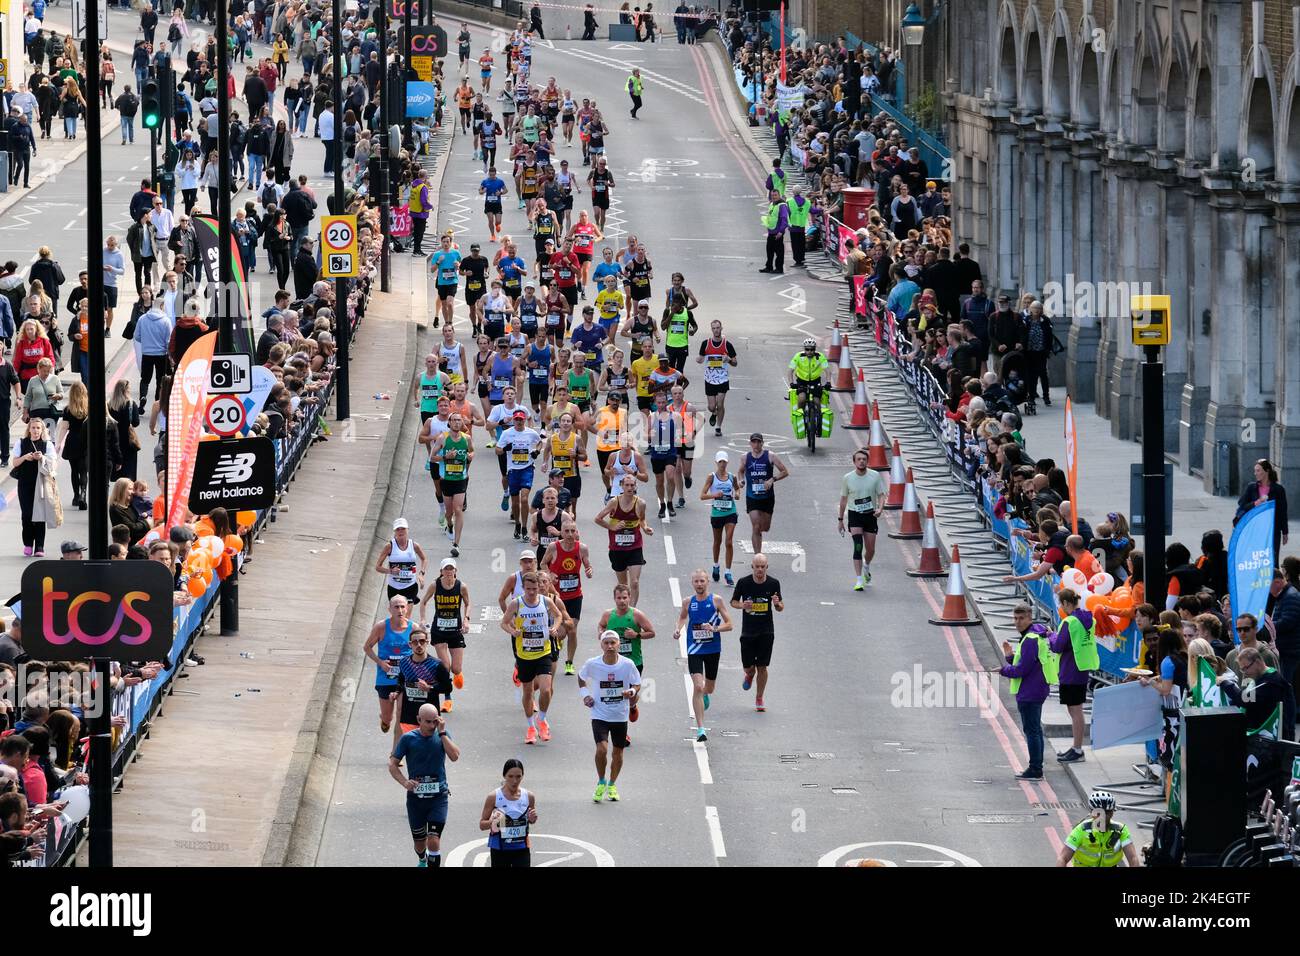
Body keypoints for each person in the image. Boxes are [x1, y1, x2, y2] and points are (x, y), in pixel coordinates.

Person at [389, 704, 460, 867]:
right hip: (416, 800)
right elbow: (392, 765)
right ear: (418, 720)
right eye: (427, 722)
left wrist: (442, 733)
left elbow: (455, 756)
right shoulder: (408, 739)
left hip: (438, 797)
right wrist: (405, 782)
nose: (431, 726)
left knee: (434, 840)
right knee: (420, 842)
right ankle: (422, 859)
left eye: (434, 721)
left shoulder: (442, 735)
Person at [500, 571, 566, 745]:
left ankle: (542, 720)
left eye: (535, 589)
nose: (531, 592)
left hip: (543, 652)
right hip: (525, 654)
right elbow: (503, 622)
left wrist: (555, 627)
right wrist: (513, 631)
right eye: (528, 589)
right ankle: (531, 727)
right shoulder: (517, 604)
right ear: (523, 587)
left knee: (546, 689)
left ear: (539, 587)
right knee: (528, 692)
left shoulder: (546, 601)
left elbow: (559, 615)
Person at [580, 630, 642, 802]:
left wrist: (631, 691)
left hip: (620, 715)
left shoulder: (627, 664)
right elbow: (581, 678)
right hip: (599, 713)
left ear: (618, 645)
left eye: (613, 643)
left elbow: (637, 683)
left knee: (618, 753)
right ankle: (601, 781)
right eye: (606, 643)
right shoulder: (593, 663)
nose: (610, 646)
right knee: (602, 749)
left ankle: (612, 785)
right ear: (601, 645)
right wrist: (585, 695)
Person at [675, 568, 733, 742]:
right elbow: (683, 618)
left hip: (713, 649)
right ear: (692, 583)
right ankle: (701, 729)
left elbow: (730, 624)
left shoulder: (716, 601)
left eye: (702, 581)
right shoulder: (688, 602)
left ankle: (705, 694)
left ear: (707, 582)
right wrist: (677, 629)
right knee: (698, 686)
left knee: (709, 688)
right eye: (696, 581)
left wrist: (714, 628)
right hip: (694, 649)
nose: (699, 584)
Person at [999, 605, 1055, 780]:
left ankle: (1035, 769)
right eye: (1015, 618)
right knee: (1035, 730)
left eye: (1021, 618)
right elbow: (1027, 662)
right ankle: (1037, 766)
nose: (1017, 622)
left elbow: (1022, 669)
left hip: (1030, 691)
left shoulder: (1030, 639)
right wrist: (1009, 657)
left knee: (1032, 731)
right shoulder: (1034, 635)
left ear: (1030, 618)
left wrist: (1003, 669)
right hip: (1036, 688)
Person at [729, 553, 783, 713]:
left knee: (763, 666)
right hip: (748, 632)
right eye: (757, 566)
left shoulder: (774, 583)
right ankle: (749, 674)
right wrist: (742, 606)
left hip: (766, 631)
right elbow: (733, 602)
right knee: (749, 668)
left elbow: (780, 607)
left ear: (767, 567)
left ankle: (759, 697)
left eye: (762, 566)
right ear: (752, 566)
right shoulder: (744, 583)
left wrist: (777, 604)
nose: (759, 569)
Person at [1050, 589, 1099, 763]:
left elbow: (1058, 646)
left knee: (1075, 710)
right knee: (1074, 709)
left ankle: (1078, 750)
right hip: (1082, 667)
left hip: (1070, 669)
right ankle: (1075, 747)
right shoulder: (1089, 619)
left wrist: (1051, 636)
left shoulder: (1069, 622)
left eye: (1060, 604)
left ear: (1065, 604)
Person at [418, 557, 471, 712]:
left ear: (455, 571)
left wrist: (466, 619)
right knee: (445, 666)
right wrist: (422, 619)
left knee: (455, 668)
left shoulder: (462, 587)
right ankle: (447, 700)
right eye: (446, 569)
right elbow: (423, 602)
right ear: (441, 571)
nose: (449, 572)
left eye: (451, 569)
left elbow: (468, 603)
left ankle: (458, 673)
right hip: (439, 630)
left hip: (455, 631)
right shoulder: (435, 585)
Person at [542, 519, 594, 675]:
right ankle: (557, 645)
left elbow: (587, 564)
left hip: (575, 596)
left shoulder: (582, 548)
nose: (571, 534)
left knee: (572, 629)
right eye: (567, 531)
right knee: (561, 633)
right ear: (561, 532)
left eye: (573, 531)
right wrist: (550, 573)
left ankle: (569, 662)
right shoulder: (554, 547)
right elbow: (543, 563)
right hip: (557, 596)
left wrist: (589, 571)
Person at [594, 472, 653, 604]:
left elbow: (642, 520)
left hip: (635, 547)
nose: (630, 488)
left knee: (635, 582)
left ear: (636, 486)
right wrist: (612, 527)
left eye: (632, 485)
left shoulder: (640, 503)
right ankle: (624, 606)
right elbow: (598, 519)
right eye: (627, 485)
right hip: (617, 548)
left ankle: (632, 611)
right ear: (621, 486)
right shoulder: (614, 502)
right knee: (623, 585)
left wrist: (645, 528)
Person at [1220, 645, 1297, 740]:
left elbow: (1243, 699)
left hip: (1271, 737)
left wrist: (1225, 683)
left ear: (1257, 662)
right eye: (1242, 669)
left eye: (1245, 668)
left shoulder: (1271, 681)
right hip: (1258, 733)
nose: (1244, 673)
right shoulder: (1254, 677)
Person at [364, 595, 416, 734]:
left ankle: (398, 745)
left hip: (405, 678)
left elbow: (420, 651)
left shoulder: (413, 628)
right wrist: (380, 662)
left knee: (401, 714)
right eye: (396, 607)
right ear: (390, 609)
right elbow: (367, 647)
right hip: (385, 678)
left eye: (402, 607)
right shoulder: (381, 627)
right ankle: (385, 719)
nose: (400, 610)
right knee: (388, 717)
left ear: (406, 609)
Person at [838, 448, 888, 590]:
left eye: (864, 459)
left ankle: (866, 565)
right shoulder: (847, 478)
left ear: (867, 461)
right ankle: (859, 580)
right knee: (858, 546)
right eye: (859, 459)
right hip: (855, 515)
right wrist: (840, 520)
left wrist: (880, 509)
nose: (861, 461)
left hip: (870, 515)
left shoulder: (875, 476)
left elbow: (882, 494)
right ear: (854, 462)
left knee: (871, 549)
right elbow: (843, 500)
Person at [429, 413, 474, 558]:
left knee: (458, 509)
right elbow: (432, 457)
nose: (456, 423)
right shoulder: (443, 438)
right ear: (449, 422)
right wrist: (445, 457)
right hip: (446, 478)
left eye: (459, 420)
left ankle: (456, 544)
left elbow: (472, 451)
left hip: (460, 479)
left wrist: (470, 456)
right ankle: (449, 524)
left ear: (462, 423)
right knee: (449, 512)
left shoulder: (467, 438)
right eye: (453, 420)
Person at [1056, 791, 1140, 867]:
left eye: (1107, 812)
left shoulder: (1121, 830)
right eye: (1099, 813)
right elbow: (1062, 858)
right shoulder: (1081, 830)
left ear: (1112, 812)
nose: (1103, 817)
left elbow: (1133, 858)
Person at [480, 758, 538, 867]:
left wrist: (532, 819)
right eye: (510, 776)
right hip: (500, 849)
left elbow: (531, 820)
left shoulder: (529, 796)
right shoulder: (494, 797)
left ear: (522, 776)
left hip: (522, 848)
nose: (514, 781)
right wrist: (494, 822)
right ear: (504, 776)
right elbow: (482, 825)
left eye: (518, 776)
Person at [11, 418, 58, 556]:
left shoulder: (47, 444)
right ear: (29, 429)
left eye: (38, 428)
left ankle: (39, 546)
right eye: (33, 428)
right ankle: (27, 544)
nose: (36, 430)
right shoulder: (21, 443)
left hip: (41, 483)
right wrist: (25, 457)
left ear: (42, 430)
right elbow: (14, 463)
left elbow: (53, 465)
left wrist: (42, 458)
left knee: (39, 515)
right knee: (26, 515)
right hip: (25, 484)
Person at [1234, 458, 1289, 560]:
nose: (1255, 473)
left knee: (1272, 559)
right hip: (1255, 529)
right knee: (1256, 558)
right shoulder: (1251, 488)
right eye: (1255, 471)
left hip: (1272, 530)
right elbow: (1242, 505)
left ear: (1267, 471)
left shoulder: (1278, 490)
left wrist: (1285, 532)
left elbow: (1282, 512)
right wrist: (1256, 503)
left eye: (1258, 470)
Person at [702, 450, 741, 585]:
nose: (722, 464)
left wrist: (737, 494)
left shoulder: (732, 477)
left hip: (730, 511)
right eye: (720, 462)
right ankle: (716, 566)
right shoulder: (711, 477)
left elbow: (737, 489)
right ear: (716, 463)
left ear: (727, 462)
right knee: (717, 542)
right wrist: (714, 495)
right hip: (717, 512)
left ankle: (728, 572)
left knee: (729, 542)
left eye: (724, 461)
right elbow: (702, 495)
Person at [696, 319, 737, 437]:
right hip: (709, 379)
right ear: (711, 330)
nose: (716, 330)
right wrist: (699, 359)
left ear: (721, 328)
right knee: (711, 406)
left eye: (718, 328)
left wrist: (729, 360)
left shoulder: (727, 345)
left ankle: (718, 427)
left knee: (720, 404)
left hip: (723, 379)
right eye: (713, 328)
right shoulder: (705, 343)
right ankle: (713, 413)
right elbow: (700, 358)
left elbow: (735, 362)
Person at [375, 518, 427, 603]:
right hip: (394, 587)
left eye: (403, 528)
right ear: (394, 532)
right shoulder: (389, 546)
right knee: (397, 615)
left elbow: (424, 559)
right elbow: (377, 567)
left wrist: (421, 574)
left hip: (410, 586)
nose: (400, 531)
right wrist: (390, 571)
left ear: (407, 530)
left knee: (406, 615)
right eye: (398, 529)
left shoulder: (414, 545)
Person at [760, 189, 789, 274]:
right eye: (772, 195)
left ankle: (779, 268)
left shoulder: (782, 205)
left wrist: (781, 231)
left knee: (779, 252)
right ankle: (769, 267)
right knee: (769, 251)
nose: (774, 197)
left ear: (779, 195)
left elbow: (784, 219)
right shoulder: (772, 204)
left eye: (775, 195)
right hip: (771, 232)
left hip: (777, 233)